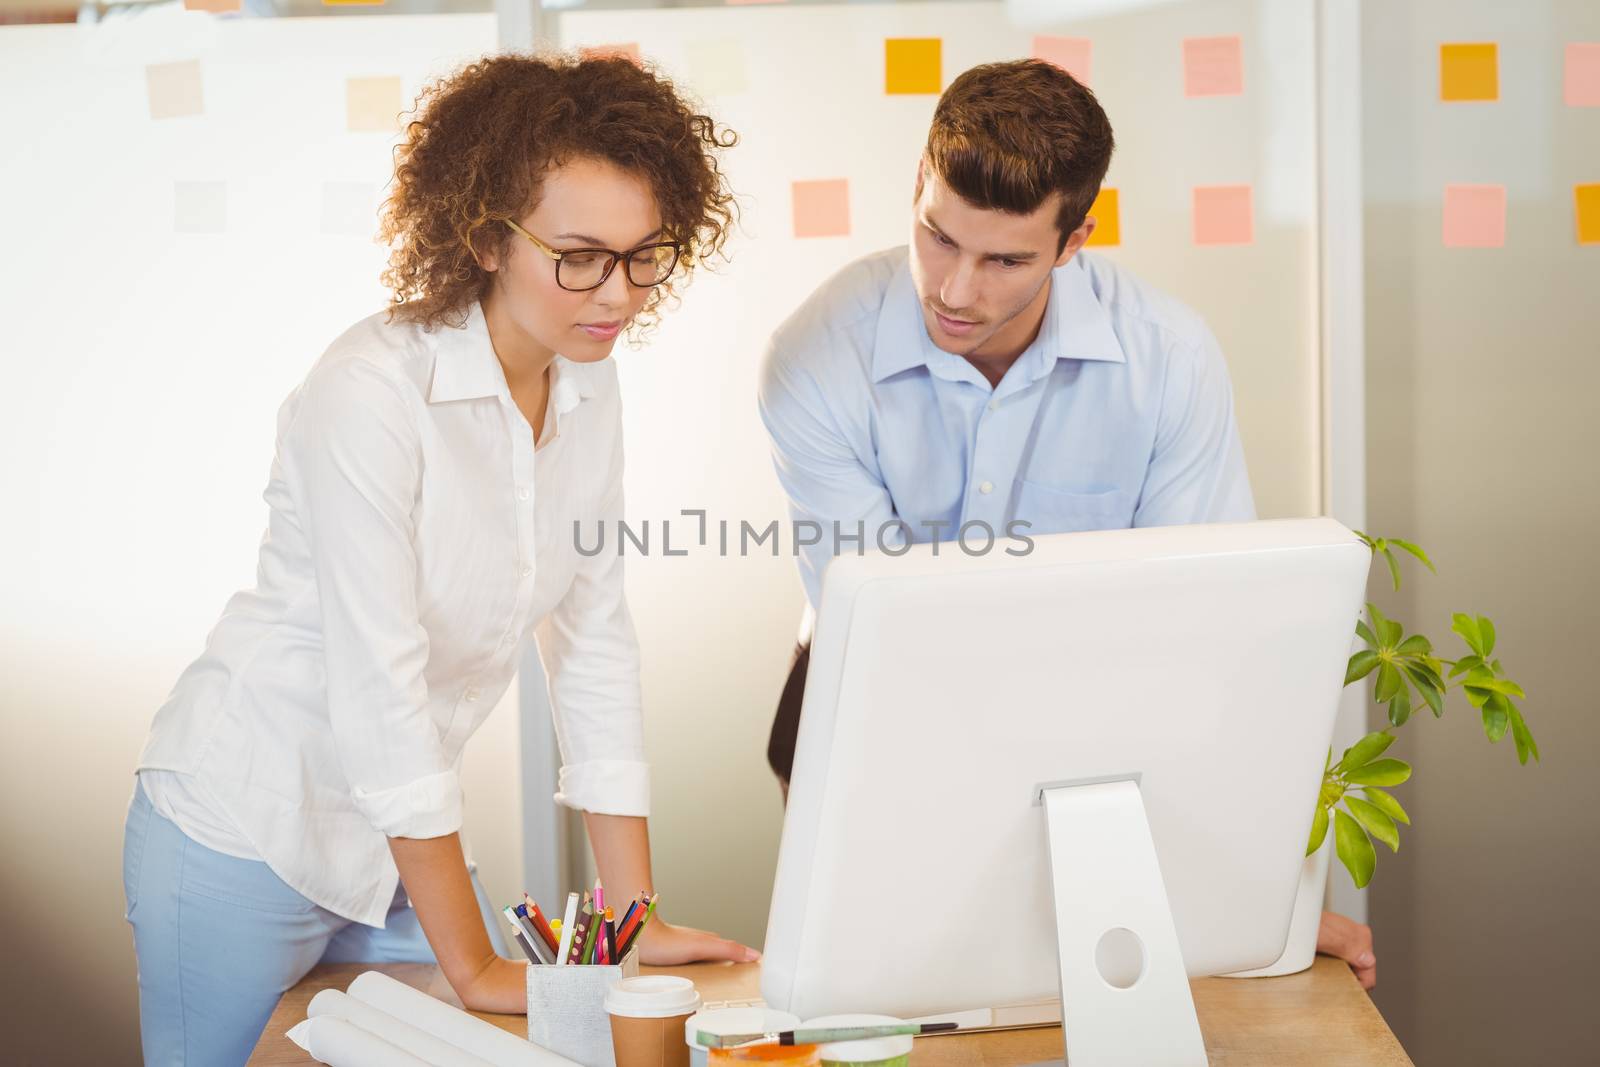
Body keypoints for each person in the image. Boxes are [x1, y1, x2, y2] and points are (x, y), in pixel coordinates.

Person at [124, 52, 756, 1065]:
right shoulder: (371, 393)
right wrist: (474, 965)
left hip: (385, 849)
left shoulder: (588, 381)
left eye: (647, 254)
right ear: (485, 239)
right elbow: (381, 687)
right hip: (241, 829)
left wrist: (632, 913)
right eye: (582, 255)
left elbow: (593, 640)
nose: (623, 293)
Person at [757, 58, 1377, 991]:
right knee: (887, 984)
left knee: (1111, 993)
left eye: (1005, 260)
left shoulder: (1167, 360)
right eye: (937, 237)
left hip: (1106, 700)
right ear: (915, 189)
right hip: (873, 696)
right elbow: (888, 643)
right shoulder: (815, 355)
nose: (956, 291)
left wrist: (1251, 902)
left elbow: (1206, 632)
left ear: (1077, 238)